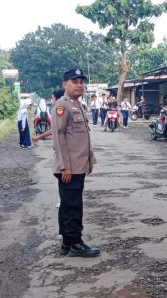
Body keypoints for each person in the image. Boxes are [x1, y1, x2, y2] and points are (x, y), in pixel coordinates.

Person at [51, 68, 99, 257]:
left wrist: (89, 161)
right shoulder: (62, 106)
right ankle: (75, 244)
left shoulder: (77, 105)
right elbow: (59, 138)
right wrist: (65, 167)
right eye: (75, 81)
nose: (79, 85)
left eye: (81, 82)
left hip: (77, 166)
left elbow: (81, 137)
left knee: (68, 205)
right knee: (73, 207)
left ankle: (67, 243)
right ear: (65, 84)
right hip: (69, 168)